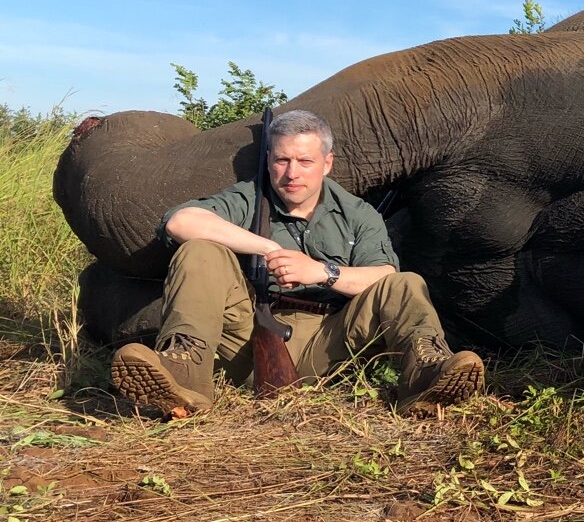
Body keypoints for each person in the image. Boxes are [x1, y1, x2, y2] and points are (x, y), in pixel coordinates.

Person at [110, 109, 483, 417]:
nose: (292, 173)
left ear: (327, 164)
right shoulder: (246, 199)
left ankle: (427, 377)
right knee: (199, 250)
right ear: (269, 160)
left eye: (305, 161)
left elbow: (385, 276)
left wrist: (321, 271)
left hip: (330, 340)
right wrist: (267, 247)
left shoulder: (358, 214)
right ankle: (184, 378)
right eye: (282, 159)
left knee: (406, 283)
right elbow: (181, 222)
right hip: (245, 335)